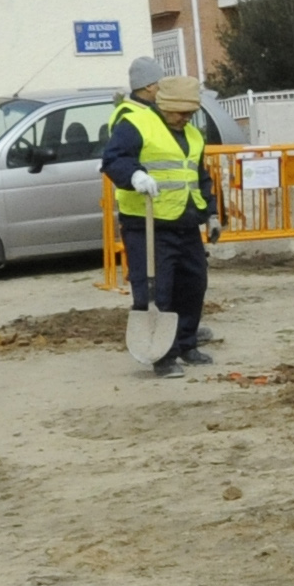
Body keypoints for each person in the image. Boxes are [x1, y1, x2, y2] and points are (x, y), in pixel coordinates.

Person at [101, 57, 218, 376]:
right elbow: (113, 159)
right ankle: (162, 357)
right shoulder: (135, 124)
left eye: (190, 113)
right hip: (147, 225)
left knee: (193, 284)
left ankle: (186, 343)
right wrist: (135, 176)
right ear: (163, 104)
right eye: (179, 113)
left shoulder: (193, 136)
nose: (184, 119)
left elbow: (199, 176)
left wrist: (211, 213)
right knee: (155, 290)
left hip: (184, 222)